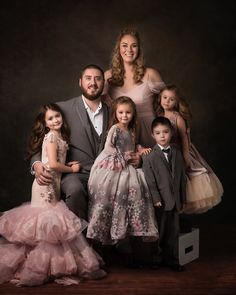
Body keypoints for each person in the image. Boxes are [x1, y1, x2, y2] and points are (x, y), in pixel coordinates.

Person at [0, 103, 106, 286]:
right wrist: (72, 169)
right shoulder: (50, 136)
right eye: (50, 118)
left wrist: (68, 163)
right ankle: (35, 268)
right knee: (44, 227)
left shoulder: (59, 136)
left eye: (57, 116)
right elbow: (53, 165)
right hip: (46, 186)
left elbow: (56, 159)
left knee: (50, 228)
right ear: (45, 123)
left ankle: (49, 267)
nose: (56, 120)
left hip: (55, 185)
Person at [31, 64, 110, 221]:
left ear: (103, 83)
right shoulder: (61, 109)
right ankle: (78, 240)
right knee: (75, 190)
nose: (93, 83)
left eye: (98, 79)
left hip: (105, 173)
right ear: (80, 82)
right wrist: (37, 164)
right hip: (74, 173)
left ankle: (105, 243)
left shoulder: (113, 111)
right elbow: (40, 140)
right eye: (88, 78)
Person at [87, 96, 158, 249]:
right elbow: (108, 147)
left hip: (128, 162)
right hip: (113, 163)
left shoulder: (131, 129)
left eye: (128, 113)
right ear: (116, 114)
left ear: (133, 114)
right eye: (121, 112)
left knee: (138, 185)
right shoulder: (115, 128)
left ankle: (131, 229)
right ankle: (109, 232)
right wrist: (123, 156)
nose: (124, 116)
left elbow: (132, 145)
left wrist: (140, 149)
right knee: (112, 189)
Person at [156, 85, 223, 213]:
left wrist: (186, 156)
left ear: (176, 102)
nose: (167, 101)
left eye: (171, 99)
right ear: (160, 98)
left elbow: (184, 139)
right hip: (166, 153)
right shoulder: (159, 116)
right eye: (164, 97)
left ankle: (180, 210)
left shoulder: (178, 118)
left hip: (180, 151)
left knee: (185, 180)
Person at [104, 28, 165, 148]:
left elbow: (167, 105)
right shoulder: (107, 76)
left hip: (150, 133)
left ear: (139, 49)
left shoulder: (151, 74)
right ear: (119, 49)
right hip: (123, 137)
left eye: (134, 46)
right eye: (125, 45)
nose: (129, 50)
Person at [143, 116, 186, 271]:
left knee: (174, 231)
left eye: (165, 132)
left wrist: (183, 199)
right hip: (160, 201)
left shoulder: (177, 152)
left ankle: (173, 260)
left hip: (175, 201)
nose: (162, 135)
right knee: (159, 232)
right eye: (158, 133)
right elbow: (150, 181)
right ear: (153, 135)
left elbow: (181, 178)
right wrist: (155, 198)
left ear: (171, 132)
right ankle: (156, 258)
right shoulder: (149, 156)